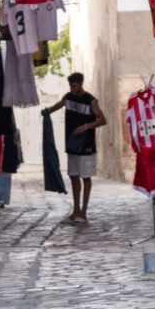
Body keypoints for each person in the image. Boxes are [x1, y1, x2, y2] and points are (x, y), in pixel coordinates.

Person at [42, 72, 107, 222]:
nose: (72, 88)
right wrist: (47, 112)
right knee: (73, 176)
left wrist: (85, 127)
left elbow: (103, 120)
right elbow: (57, 105)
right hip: (72, 144)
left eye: (74, 85)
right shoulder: (68, 97)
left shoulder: (91, 101)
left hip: (87, 146)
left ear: (81, 84)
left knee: (86, 177)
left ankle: (84, 211)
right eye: (70, 85)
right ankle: (76, 209)